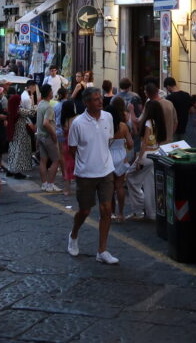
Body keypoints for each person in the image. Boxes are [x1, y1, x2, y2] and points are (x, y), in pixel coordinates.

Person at [66, 86, 119, 264]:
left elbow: (108, 140)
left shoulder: (108, 117)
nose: (100, 101)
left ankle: (102, 250)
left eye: (100, 98)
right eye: (96, 99)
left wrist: (101, 158)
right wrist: (86, 161)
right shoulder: (78, 123)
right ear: (87, 102)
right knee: (85, 210)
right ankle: (73, 235)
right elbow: (72, 149)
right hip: (85, 174)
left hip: (106, 170)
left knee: (106, 209)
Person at [127, 98, 163, 221]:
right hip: (156, 153)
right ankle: (151, 212)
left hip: (147, 155)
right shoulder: (158, 122)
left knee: (130, 177)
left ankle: (138, 207)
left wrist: (139, 159)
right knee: (149, 183)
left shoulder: (148, 122)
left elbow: (145, 142)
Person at [108, 97, 134, 221]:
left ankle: (111, 212)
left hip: (108, 156)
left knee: (110, 187)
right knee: (119, 186)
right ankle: (121, 213)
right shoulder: (123, 126)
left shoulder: (106, 127)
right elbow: (130, 144)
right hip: (121, 156)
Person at [35, 84, 61, 193]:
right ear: (49, 93)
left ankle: (44, 184)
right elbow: (46, 123)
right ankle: (50, 184)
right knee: (56, 160)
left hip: (40, 135)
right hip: (48, 136)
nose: (52, 92)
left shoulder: (41, 104)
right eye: (51, 90)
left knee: (43, 160)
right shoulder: (49, 107)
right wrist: (54, 135)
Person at [4, 91, 35, 179]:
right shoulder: (20, 110)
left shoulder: (11, 110)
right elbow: (32, 112)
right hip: (20, 134)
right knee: (19, 152)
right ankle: (17, 172)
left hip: (14, 134)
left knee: (13, 152)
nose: (21, 101)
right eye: (19, 100)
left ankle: (11, 170)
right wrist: (33, 101)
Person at [164, 77, 192, 141]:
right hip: (184, 126)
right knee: (183, 147)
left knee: (173, 147)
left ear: (168, 86)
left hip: (173, 127)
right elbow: (191, 110)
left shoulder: (169, 98)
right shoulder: (186, 95)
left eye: (166, 88)